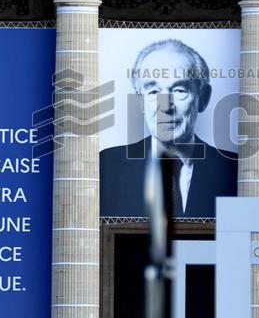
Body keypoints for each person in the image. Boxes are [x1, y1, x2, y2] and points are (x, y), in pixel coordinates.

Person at [100, 39, 237, 217]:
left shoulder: (235, 169)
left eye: (179, 90)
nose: (165, 106)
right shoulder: (106, 166)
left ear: (203, 98)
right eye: (153, 92)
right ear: (141, 101)